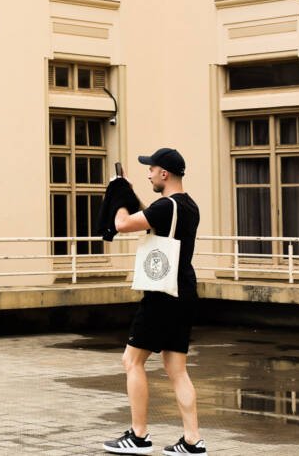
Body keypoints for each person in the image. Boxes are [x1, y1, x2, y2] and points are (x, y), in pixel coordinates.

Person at [102, 148, 207, 456]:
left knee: (131, 361)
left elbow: (123, 224)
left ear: (165, 174)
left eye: (152, 169)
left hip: (162, 294)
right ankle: (192, 440)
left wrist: (118, 194)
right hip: (184, 290)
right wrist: (131, 192)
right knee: (177, 369)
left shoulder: (166, 206)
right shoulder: (189, 206)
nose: (148, 173)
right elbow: (152, 217)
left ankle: (138, 435)